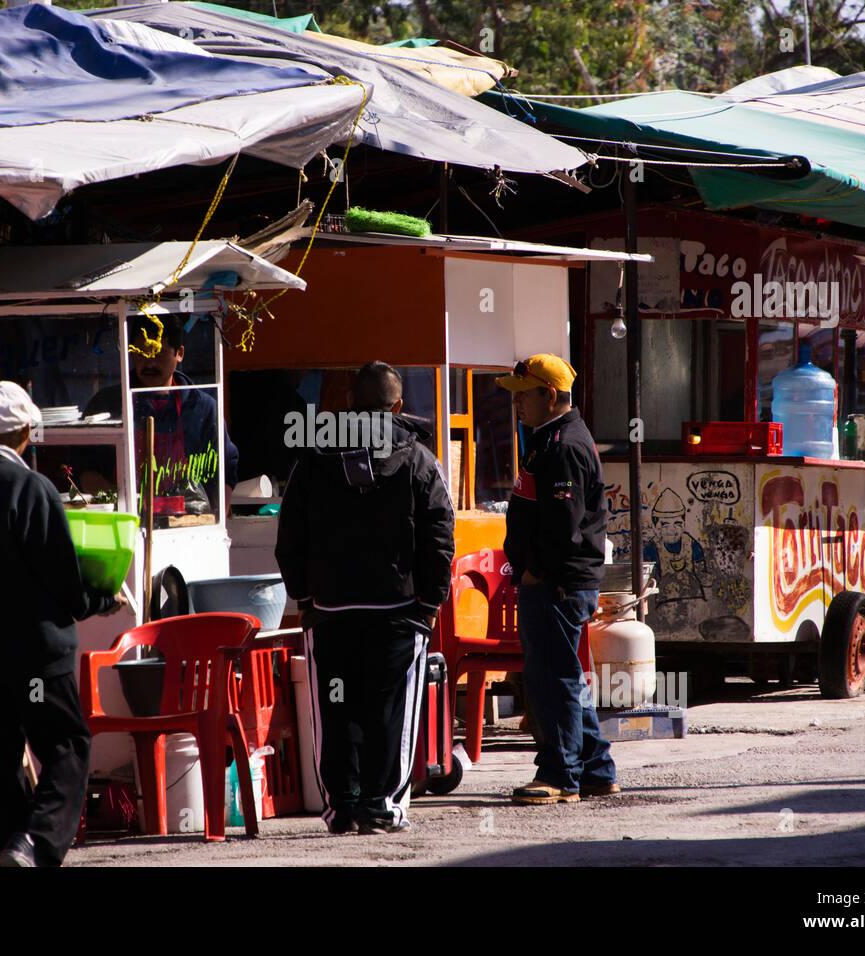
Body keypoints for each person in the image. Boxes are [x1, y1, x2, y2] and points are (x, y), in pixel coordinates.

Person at [0, 381, 123, 867]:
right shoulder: (33, 489)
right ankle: (34, 843)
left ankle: (14, 848)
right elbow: (65, 585)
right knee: (65, 747)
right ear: (26, 433)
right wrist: (101, 598)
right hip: (34, 667)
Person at [275, 362, 455, 834]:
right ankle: (380, 807)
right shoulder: (420, 459)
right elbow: (440, 535)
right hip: (399, 612)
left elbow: (288, 536)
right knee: (389, 710)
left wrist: (306, 598)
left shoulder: (312, 458)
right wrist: (431, 601)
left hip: (331, 612)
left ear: (350, 403)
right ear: (398, 406)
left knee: (335, 709)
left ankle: (343, 807)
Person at [498, 354, 619, 805]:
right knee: (563, 675)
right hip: (555, 580)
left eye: (523, 395)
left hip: (556, 582)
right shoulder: (549, 438)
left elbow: (560, 527)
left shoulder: (564, 444)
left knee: (553, 679)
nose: (516, 405)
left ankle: (560, 774)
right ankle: (596, 770)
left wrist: (535, 571)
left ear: (550, 395)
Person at [84, 316, 238, 508]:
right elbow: (84, 471)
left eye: (159, 354)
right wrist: (124, 504)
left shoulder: (202, 408)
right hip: (124, 525)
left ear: (180, 353)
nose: (150, 363)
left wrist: (213, 523)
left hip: (186, 527)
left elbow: (225, 470)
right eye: (141, 354)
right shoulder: (107, 404)